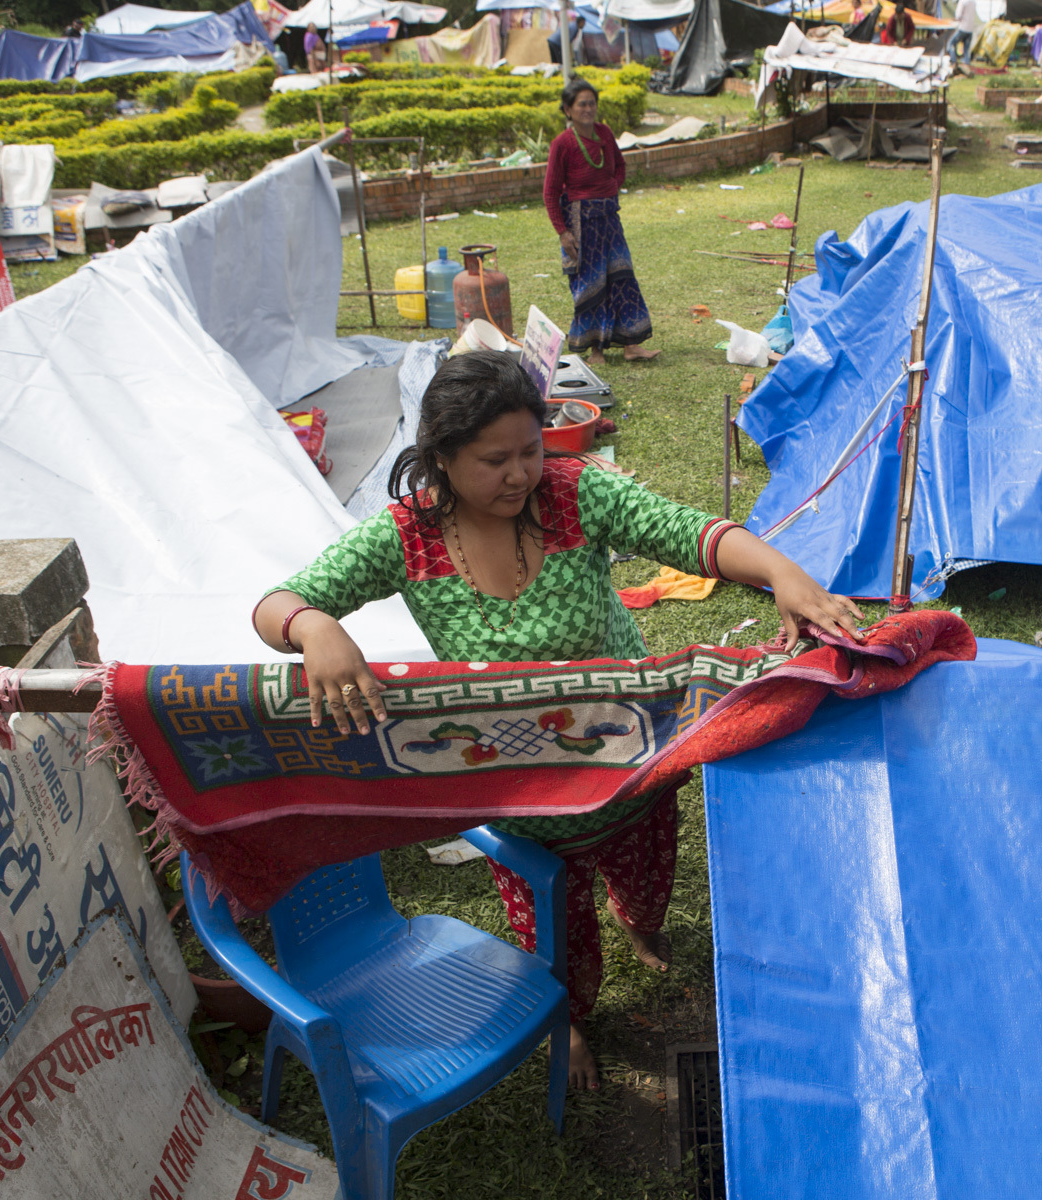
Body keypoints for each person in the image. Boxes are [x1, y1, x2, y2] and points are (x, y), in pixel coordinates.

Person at [254, 351, 865, 1091]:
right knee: (552, 935)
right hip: (521, 797)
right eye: (494, 460)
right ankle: (564, 1018)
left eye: (530, 450)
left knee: (645, 885)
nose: (519, 474)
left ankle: (638, 924)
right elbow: (280, 603)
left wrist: (782, 573)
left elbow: (686, 532)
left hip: (630, 769)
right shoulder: (404, 537)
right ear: (441, 460)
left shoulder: (573, 495)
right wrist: (316, 628)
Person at [544, 79, 659, 366]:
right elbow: (550, 191)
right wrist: (562, 232)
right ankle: (596, 351)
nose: (588, 109)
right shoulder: (562, 144)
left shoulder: (605, 133)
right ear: (568, 110)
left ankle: (631, 344)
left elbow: (619, 165)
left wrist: (611, 186)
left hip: (609, 218)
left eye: (591, 103)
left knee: (622, 277)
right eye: (581, 104)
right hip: (582, 223)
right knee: (591, 285)